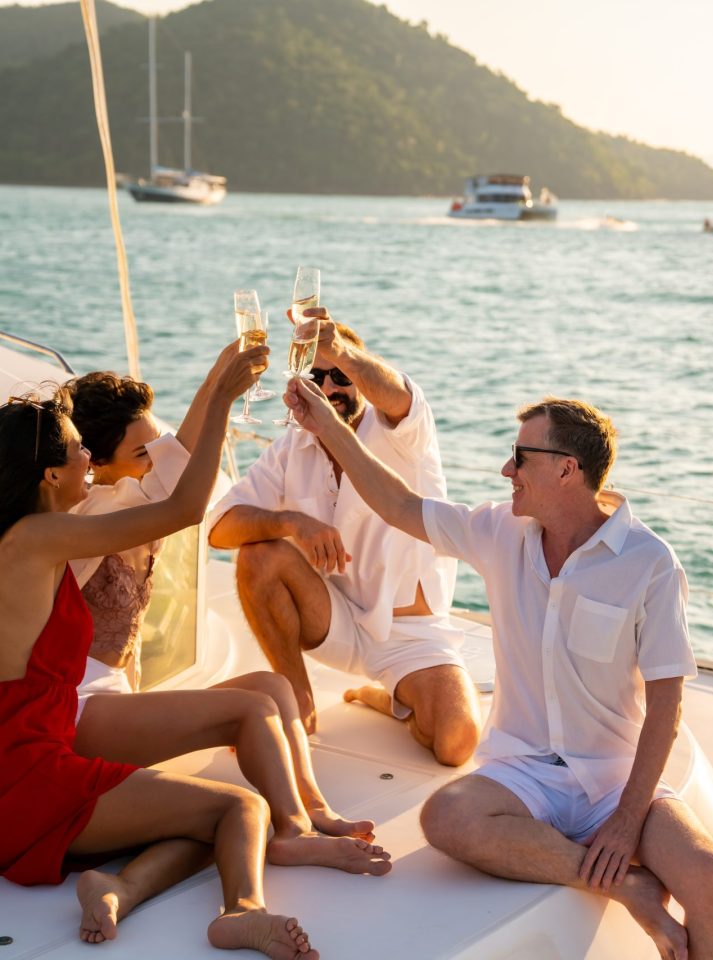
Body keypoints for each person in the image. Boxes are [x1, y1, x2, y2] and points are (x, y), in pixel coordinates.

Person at [281, 381, 713, 960]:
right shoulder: (499, 531)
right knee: (446, 814)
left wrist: (627, 820)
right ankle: (628, 886)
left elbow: (667, 708)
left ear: (566, 470)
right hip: (524, 774)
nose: (507, 469)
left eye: (522, 457)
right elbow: (399, 505)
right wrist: (327, 424)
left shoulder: (648, 563)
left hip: (614, 780)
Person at [0, 352, 323, 958]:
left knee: (201, 817)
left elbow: (166, 477)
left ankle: (117, 887)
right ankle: (242, 912)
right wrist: (223, 398)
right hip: (31, 780)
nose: (88, 463)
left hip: (24, 777)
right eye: (77, 452)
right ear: (48, 475)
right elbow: (182, 508)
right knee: (243, 808)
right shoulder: (37, 540)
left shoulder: (26, 540)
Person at [65, 347, 387, 850]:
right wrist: (220, 395)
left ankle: (315, 809)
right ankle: (292, 834)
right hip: (79, 710)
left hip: (119, 704)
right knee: (252, 707)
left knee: (274, 687)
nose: (157, 463)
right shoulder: (92, 519)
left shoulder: (135, 496)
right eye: (141, 456)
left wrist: (219, 376)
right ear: (96, 462)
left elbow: (178, 456)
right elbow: (184, 491)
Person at [208, 309, 480, 766]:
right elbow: (219, 527)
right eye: (318, 377)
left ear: (358, 378)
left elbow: (395, 392)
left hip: (410, 635)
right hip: (333, 619)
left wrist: (341, 351)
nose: (330, 388)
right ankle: (299, 700)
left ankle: (389, 699)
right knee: (259, 554)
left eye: (340, 376)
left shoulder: (400, 431)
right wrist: (292, 522)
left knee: (456, 742)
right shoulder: (294, 446)